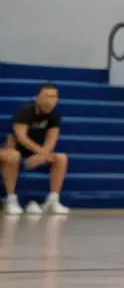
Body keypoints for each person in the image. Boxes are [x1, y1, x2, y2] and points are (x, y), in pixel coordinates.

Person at [2, 83, 68, 216]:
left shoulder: (54, 117)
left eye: (54, 97)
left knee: (61, 158)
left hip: (37, 153)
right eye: (47, 96)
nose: (50, 100)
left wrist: (42, 156)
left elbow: (51, 139)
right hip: (13, 149)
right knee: (13, 155)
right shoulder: (25, 111)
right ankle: (10, 199)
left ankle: (53, 200)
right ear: (37, 97)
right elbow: (21, 137)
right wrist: (42, 153)